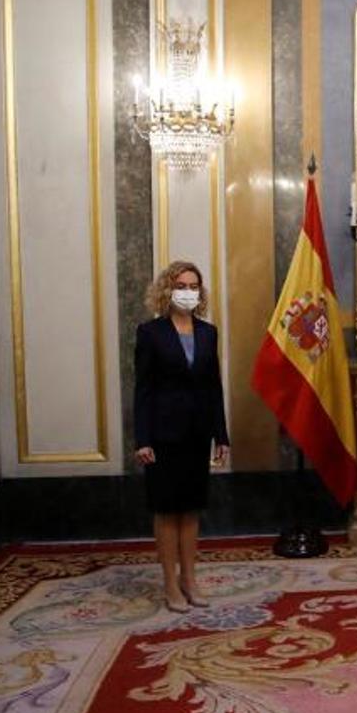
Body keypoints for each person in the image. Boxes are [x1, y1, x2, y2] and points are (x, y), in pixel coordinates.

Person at [134, 261, 230, 613]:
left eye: (194, 286)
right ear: (167, 289)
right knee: (166, 510)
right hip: (162, 435)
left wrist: (221, 434)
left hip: (197, 433)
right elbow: (142, 390)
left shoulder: (208, 332)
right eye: (181, 285)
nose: (188, 292)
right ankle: (170, 584)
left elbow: (213, 387)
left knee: (191, 510)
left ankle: (190, 579)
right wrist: (141, 439)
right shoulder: (150, 333)